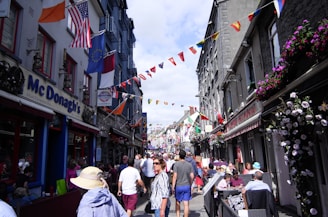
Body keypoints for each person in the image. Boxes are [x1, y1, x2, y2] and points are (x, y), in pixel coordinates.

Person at [171, 150, 194, 217]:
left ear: (179, 156)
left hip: (178, 185)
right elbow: (192, 176)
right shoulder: (189, 165)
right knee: (186, 204)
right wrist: (190, 183)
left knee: (178, 202)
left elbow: (175, 176)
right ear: (185, 156)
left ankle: (178, 215)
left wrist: (173, 186)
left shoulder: (176, 164)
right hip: (187, 185)